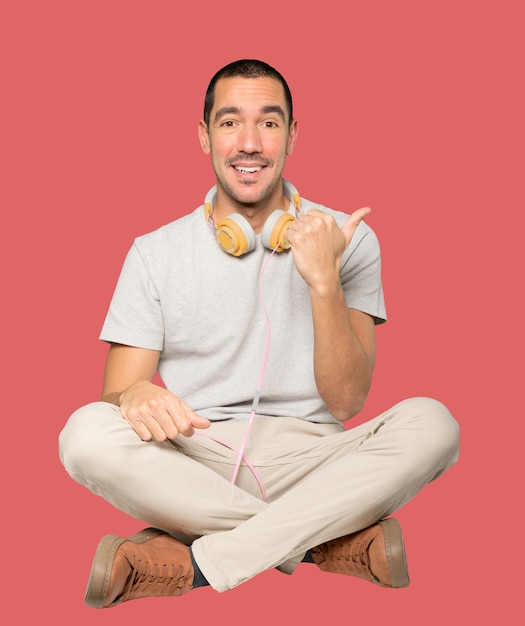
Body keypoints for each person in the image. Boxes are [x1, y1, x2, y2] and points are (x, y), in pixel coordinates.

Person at [58, 59, 460, 609]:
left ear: (292, 136)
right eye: (229, 123)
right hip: (195, 458)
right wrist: (135, 394)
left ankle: (199, 562)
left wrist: (323, 282)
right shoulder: (153, 253)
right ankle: (323, 541)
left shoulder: (348, 241)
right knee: (83, 434)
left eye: (269, 123)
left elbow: (348, 398)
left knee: (435, 424)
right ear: (204, 137)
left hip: (318, 460)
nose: (249, 142)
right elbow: (115, 395)